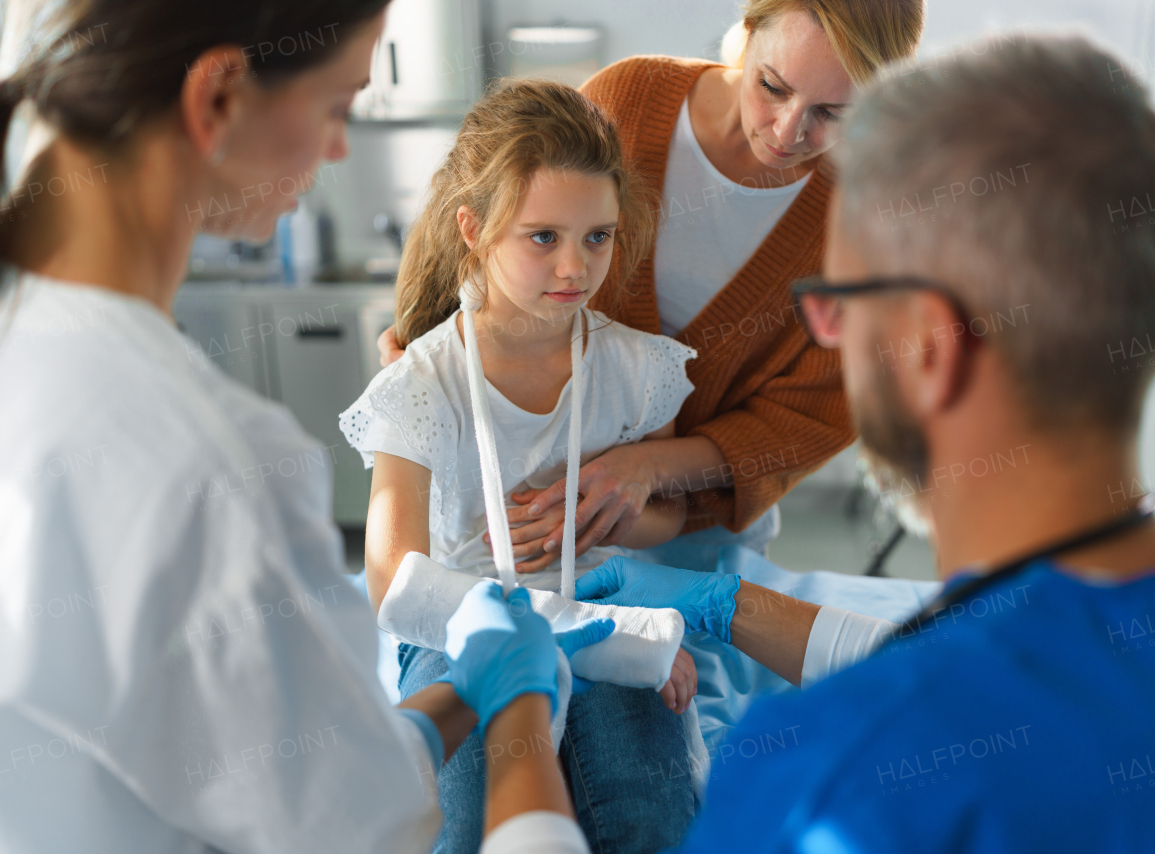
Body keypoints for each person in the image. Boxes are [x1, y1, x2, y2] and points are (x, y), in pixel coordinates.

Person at [575, 34, 1155, 852]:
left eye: (838, 304)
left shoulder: (819, 788)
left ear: (931, 350)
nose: (830, 339)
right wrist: (724, 605)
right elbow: (1024, 691)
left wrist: (516, 731)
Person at [0, 3, 606, 851]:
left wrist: (469, 688)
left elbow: (304, 777)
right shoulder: (210, 462)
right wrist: (519, 702)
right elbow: (361, 832)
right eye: (337, 106)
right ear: (216, 97)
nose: (335, 151)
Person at [380, 0, 926, 578]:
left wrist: (650, 466)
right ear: (748, 31)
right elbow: (500, 205)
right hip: (528, 505)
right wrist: (420, 343)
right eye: (771, 86)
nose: (788, 130)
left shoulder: (871, 212)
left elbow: (821, 409)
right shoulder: (632, 99)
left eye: (832, 113)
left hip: (690, 526)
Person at [341, 79, 703, 854]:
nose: (575, 266)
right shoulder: (421, 385)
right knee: (467, 833)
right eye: (542, 237)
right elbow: (395, 583)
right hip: (459, 622)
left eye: (598, 237)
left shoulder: (641, 370)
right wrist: (618, 638)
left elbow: (670, 517)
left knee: (653, 822)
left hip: (602, 598)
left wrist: (616, 516)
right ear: (473, 229)